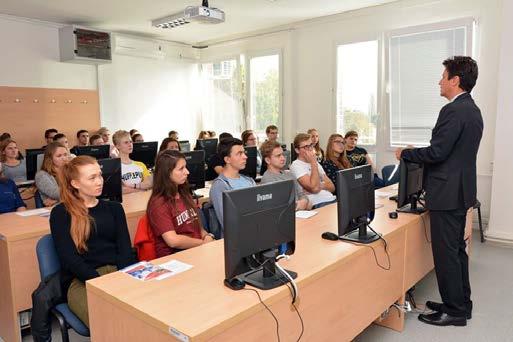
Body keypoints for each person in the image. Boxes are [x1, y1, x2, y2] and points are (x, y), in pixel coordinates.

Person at [396, 56, 482, 327]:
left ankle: (454, 312)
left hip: (447, 193)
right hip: (460, 190)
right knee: (457, 251)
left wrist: (406, 153)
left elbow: (438, 152)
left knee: (446, 254)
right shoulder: (472, 109)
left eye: (443, 76)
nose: (439, 81)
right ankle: (460, 303)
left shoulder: (454, 111)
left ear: (455, 80)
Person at [50, 155, 136, 328]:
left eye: (100, 175)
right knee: (108, 322)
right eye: (92, 178)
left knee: (144, 315)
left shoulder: (114, 208)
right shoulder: (61, 213)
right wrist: (99, 282)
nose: (100, 181)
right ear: (75, 183)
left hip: (118, 274)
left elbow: (125, 249)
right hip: (82, 281)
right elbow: (70, 259)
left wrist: (124, 278)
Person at [147, 150, 214, 258]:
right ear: (167, 173)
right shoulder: (158, 203)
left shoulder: (184, 193)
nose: (187, 172)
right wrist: (203, 244)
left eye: (185, 167)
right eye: (181, 168)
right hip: (175, 258)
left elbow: (199, 228)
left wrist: (207, 236)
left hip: (197, 250)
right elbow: (173, 241)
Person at [209, 138, 256, 230]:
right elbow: (227, 223)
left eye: (244, 152)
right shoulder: (220, 186)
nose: (245, 156)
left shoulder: (250, 181)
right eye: (239, 154)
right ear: (227, 159)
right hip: (238, 237)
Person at [260, 141, 310, 210]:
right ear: (268, 160)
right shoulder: (268, 180)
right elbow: (278, 206)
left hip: (301, 213)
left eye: (282, 155)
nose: (283, 158)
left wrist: (304, 201)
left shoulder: (289, 174)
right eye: (278, 156)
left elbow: (301, 194)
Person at [290, 133, 335, 208]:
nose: (311, 149)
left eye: (311, 145)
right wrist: (313, 162)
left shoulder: (316, 163)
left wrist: (319, 185)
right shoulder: (296, 165)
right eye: (306, 147)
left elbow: (332, 187)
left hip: (332, 199)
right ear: (297, 150)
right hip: (318, 204)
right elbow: (314, 188)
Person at [35, 142, 69, 207]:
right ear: (50, 158)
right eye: (59, 156)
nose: (64, 158)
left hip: (72, 206)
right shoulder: (41, 175)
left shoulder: (72, 171)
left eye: (65, 154)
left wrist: (57, 200)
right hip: (55, 210)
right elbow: (57, 194)